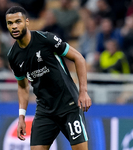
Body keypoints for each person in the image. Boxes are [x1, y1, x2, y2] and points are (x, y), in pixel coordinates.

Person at [5, 6, 92, 150]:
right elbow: (22, 86)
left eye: (18, 21)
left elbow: (79, 58)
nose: (14, 26)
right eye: (10, 23)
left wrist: (83, 91)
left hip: (68, 105)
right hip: (45, 110)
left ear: (27, 22)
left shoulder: (45, 39)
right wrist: (21, 116)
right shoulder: (13, 56)